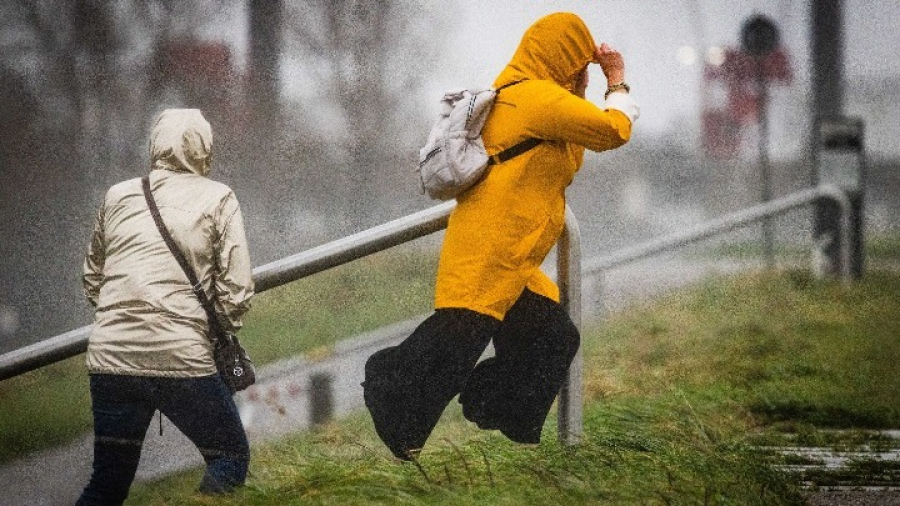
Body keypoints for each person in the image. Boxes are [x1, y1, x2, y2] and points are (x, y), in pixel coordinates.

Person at [363, 12, 639, 460]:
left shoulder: (527, 98)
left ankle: (486, 407)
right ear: (563, 55)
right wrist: (617, 81)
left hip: (512, 257)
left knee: (552, 337)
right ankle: (390, 396)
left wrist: (581, 91)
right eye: (578, 61)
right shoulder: (535, 98)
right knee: (453, 347)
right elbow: (612, 130)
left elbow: (569, 160)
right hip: (489, 251)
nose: (581, 70)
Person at [76, 108, 255, 504]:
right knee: (229, 455)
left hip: (110, 355)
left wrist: (123, 317)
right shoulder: (218, 197)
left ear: (155, 143)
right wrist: (212, 327)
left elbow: (93, 277)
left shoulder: (118, 195)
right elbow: (237, 288)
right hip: (180, 355)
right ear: (204, 146)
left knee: (107, 481)